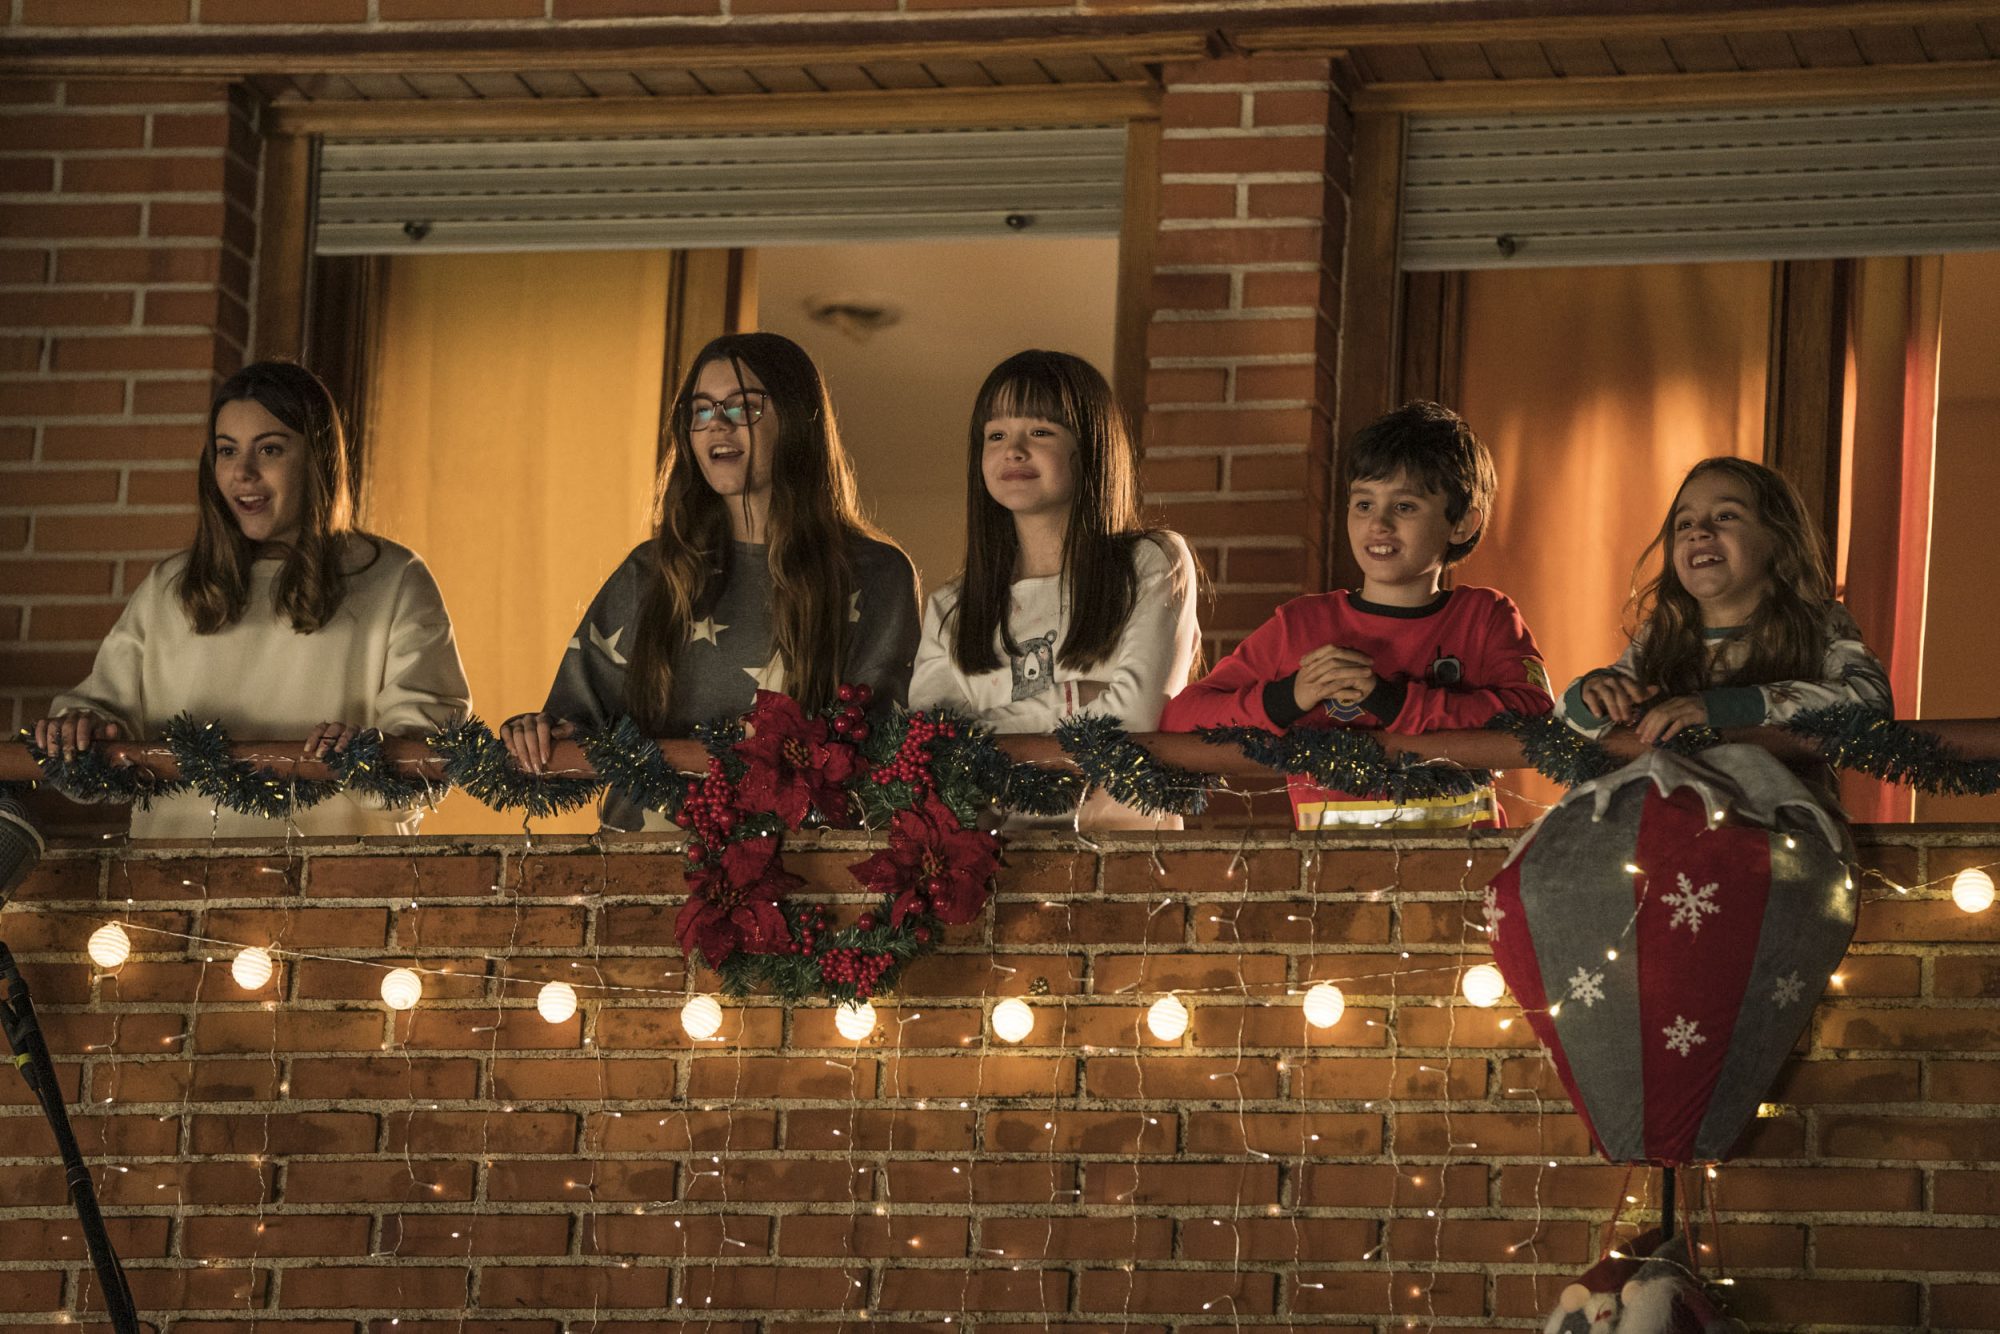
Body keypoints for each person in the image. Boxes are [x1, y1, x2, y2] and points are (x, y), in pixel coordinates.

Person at [502, 332, 920, 831]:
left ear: (797, 419)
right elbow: (574, 728)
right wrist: (536, 732)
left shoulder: (876, 573)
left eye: (743, 406)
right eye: (701, 410)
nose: (717, 423)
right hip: (641, 859)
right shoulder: (650, 571)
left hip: (804, 862)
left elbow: (882, 757)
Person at [36, 361, 471, 838]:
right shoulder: (170, 586)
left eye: (269, 449)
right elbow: (97, 728)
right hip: (176, 874)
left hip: (339, 877)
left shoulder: (393, 578)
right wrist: (81, 729)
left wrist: (361, 754)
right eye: (227, 451)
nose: (243, 472)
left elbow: (426, 762)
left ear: (316, 458)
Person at [1160, 400, 1552, 830]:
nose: (1378, 523)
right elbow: (1182, 716)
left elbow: (1537, 717)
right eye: (1363, 504)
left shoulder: (1485, 617)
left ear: (1462, 524)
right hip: (1327, 870)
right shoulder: (1302, 625)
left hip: (1465, 868)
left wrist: (1393, 702)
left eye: (1404, 506)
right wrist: (1289, 697)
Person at [909, 349, 1199, 830]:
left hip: (1125, 857)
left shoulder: (1149, 561)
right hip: (995, 860)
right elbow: (933, 748)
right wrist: (1073, 699)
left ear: (1089, 449)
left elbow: (1135, 719)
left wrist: (986, 737)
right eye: (996, 435)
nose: (1014, 450)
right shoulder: (951, 607)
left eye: (1040, 432)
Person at [1558, 456, 1890, 747]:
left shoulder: (1818, 621)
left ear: (1778, 539)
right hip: (1667, 797)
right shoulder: (1661, 633)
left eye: (1725, 516)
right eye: (1684, 524)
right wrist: (1593, 696)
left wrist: (1720, 708)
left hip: (1774, 799)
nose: (1699, 531)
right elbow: (1560, 733)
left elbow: (1871, 700)